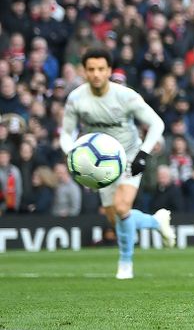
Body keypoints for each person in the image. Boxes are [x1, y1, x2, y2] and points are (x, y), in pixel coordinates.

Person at [60, 48, 175, 279]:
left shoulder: (125, 96)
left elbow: (157, 124)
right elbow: (66, 133)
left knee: (122, 208)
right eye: (91, 69)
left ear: (109, 71)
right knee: (114, 217)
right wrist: (73, 154)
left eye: (101, 69)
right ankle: (155, 221)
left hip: (129, 156)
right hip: (98, 163)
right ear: (84, 72)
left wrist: (143, 154)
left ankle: (125, 264)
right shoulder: (76, 98)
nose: (96, 74)